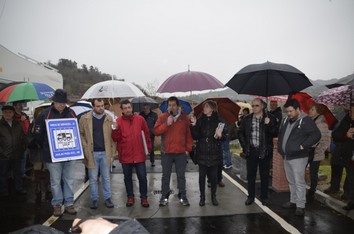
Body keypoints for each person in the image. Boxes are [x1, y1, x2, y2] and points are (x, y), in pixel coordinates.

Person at [34, 89, 78, 216]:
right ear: (53, 101)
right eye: (59, 102)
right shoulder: (44, 114)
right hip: (53, 156)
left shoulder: (71, 113)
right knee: (55, 181)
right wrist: (48, 147)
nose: (61, 105)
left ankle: (69, 203)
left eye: (63, 102)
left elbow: (76, 132)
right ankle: (57, 204)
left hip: (70, 154)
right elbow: (38, 135)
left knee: (69, 179)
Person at [277, 99, 321, 216]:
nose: (289, 113)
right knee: (291, 181)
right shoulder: (287, 119)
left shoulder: (306, 120)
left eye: (291, 111)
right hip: (287, 155)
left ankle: (300, 205)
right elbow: (282, 134)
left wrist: (303, 145)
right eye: (287, 111)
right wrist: (281, 148)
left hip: (298, 157)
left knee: (299, 182)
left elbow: (316, 135)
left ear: (298, 109)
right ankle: (293, 201)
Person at [154, 96, 193, 206]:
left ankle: (183, 195)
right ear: (167, 106)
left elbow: (188, 136)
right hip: (167, 152)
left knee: (181, 176)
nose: (172, 107)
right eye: (169, 105)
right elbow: (156, 131)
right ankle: (164, 196)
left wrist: (188, 149)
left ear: (177, 106)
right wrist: (167, 124)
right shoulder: (163, 117)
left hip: (181, 153)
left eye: (173, 105)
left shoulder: (184, 118)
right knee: (165, 176)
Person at [112, 100, 151, 208]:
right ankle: (130, 197)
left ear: (132, 108)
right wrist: (115, 129)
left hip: (139, 154)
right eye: (125, 108)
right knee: (127, 178)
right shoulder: (118, 121)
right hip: (125, 155)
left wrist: (148, 148)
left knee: (142, 177)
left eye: (129, 107)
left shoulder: (140, 119)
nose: (127, 110)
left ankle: (144, 198)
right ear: (122, 109)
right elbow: (116, 138)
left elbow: (146, 134)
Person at [238, 98, 277, 206]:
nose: (254, 108)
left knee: (265, 176)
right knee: (251, 176)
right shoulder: (247, 119)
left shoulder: (270, 118)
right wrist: (245, 146)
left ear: (262, 107)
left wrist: (268, 125)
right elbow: (240, 132)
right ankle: (250, 197)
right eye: (253, 105)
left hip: (264, 152)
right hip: (251, 151)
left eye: (256, 106)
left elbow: (275, 133)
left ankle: (264, 197)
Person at [79, 98, 116, 209]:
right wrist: (85, 147)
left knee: (106, 177)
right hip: (92, 153)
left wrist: (113, 153)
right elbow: (80, 134)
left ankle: (107, 198)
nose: (101, 108)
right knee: (93, 178)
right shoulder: (84, 119)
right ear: (93, 107)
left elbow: (113, 138)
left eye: (102, 106)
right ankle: (94, 199)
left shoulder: (109, 119)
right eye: (98, 106)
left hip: (106, 153)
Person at [190, 100, 226, 206]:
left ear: (212, 108)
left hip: (214, 153)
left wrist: (220, 135)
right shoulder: (200, 120)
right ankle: (202, 197)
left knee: (214, 178)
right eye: (204, 107)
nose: (204, 109)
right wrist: (194, 125)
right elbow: (195, 136)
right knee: (202, 177)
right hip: (202, 153)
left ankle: (213, 196)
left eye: (206, 107)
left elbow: (225, 137)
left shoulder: (219, 121)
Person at [0, 105, 27, 198]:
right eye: (6, 112)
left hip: (17, 153)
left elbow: (23, 137)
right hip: (3, 155)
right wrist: (1, 152)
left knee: (18, 173)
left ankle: (18, 189)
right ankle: (3, 191)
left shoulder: (18, 124)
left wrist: (22, 148)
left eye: (10, 112)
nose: (8, 114)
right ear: (2, 113)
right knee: (3, 174)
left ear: (13, 113)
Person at [331, 103, 354, 210]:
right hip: (349, 157)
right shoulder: (346, 121)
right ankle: (352, 202)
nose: (352, 114)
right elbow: (335, 135)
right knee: (351, 179)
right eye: (351, 111)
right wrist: (346, 135)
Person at [306, 104, 331, 203]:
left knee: (313, 172)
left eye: (312, 109)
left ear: (318, 112)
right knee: (303, 170)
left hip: (315, 152)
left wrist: (317, 150)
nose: (310, 111)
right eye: (310, 109)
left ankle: (312, 190)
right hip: (307, 151)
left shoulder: (322, 124)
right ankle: (306, 188)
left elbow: (325, 140)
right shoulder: (310, 121)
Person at [28, 106, 51, 203]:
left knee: (47, 169)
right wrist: (34, 138)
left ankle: (47, 185)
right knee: (37, 169)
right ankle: (37, 186)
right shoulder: (32, 125)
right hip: (36, 150)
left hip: (45, 150)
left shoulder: (47, 123)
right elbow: (28, 138)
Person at [13, 101, 31, 180]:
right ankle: (15, 176)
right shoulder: (13, 116)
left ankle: (22, 174)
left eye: (22, 104)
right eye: (19, 105)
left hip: (25, 140)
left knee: (24, 158)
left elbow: (28, 127)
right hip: (16, 141)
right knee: (16, 160)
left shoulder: (25, 115)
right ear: (15, 106)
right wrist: (20, 121)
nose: (21, 106)